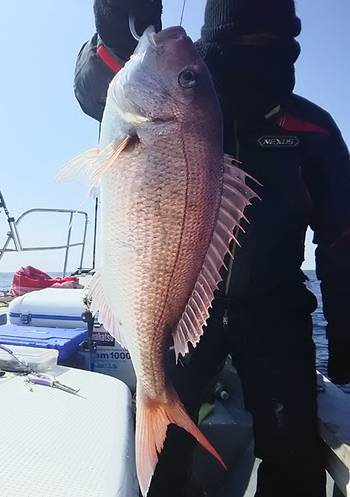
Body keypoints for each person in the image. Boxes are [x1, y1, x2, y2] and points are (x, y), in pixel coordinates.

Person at [74, 1, 350, 496]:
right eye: (238, 43)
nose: (253, 58)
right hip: (176, 314)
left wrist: (348, 343)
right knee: (163, 463)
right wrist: (118, 23)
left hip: (277, 312)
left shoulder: (312, 128)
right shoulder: (179, 89)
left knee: (295, 457)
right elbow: (99, 84)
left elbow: (342, 241)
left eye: (267, 44)